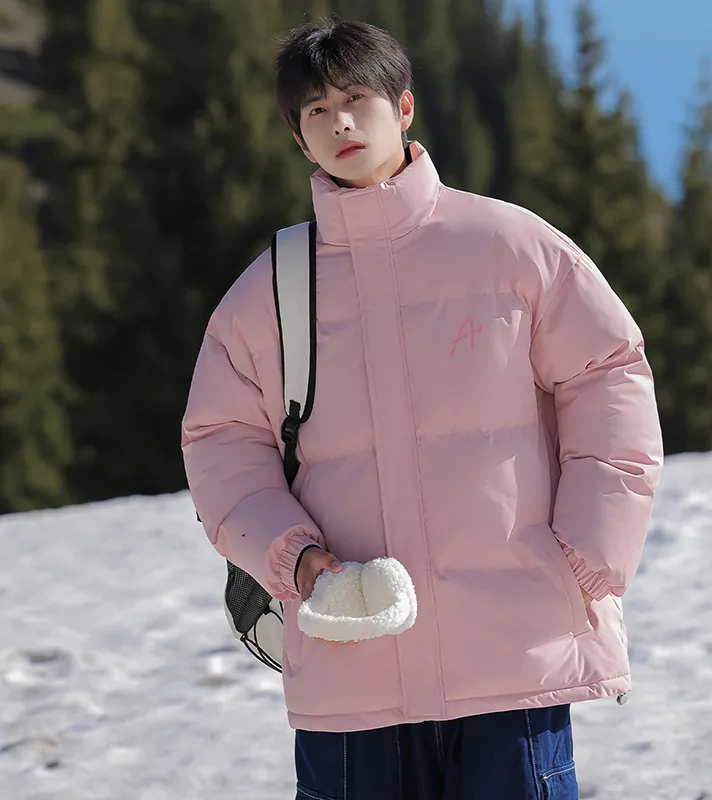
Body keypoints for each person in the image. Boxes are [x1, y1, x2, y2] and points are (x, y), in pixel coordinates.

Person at [181, 18, 663, 800]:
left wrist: (587, 556)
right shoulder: (268, 293)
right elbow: (220, 444)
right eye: (316, 111)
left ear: (403, 107)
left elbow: (609, 376)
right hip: (352, 660)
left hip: (513, 654)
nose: (340, 123)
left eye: (356, 99)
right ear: (299, 140)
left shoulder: (511, 245)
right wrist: (293, 559)